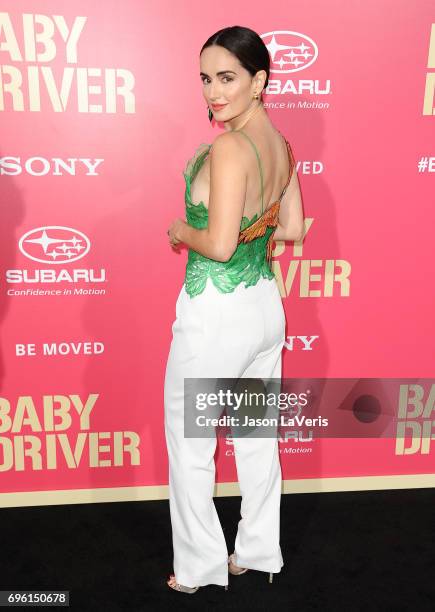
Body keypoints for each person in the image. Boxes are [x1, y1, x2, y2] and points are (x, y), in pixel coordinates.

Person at [164, 25, 304, 594]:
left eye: (227, 78)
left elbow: (219, 245)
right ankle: (258, 552)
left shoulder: (228, 146)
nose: (213, 92)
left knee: (192, 447)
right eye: (206, 79)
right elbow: (291, 228)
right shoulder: (282, 145)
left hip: (215, 314)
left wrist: (179, 229)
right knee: (255, 438)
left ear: (259, 81)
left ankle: (198, 568)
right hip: (263, 309)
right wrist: (255, 230)